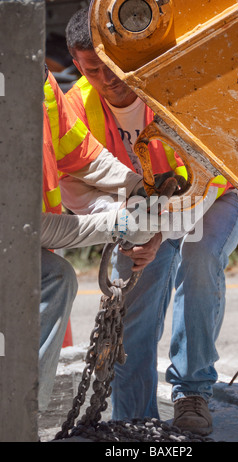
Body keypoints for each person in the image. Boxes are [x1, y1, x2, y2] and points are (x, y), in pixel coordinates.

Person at [63, 8, 238, 436]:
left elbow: (209, 173)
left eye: (112, 67)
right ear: (78, 64)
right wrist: (125, 231)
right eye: (93, 71)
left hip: (216, 194)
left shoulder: (173, 86)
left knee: (200, 257)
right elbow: (75, 186)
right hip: (139, 213)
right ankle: (135, 418)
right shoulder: (75, 109)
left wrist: (160, 230)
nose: (108, 80)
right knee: (133, 287)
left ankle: (191, 392)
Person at [39, 66, 170, 411]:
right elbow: (25, 228)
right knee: (54, 277)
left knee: (54, 276)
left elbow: (82, 154)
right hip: (21, 234)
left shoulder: (42, 84)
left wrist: (133, 186)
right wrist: (116, 222)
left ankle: (24, 415)